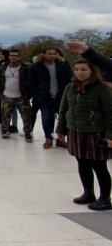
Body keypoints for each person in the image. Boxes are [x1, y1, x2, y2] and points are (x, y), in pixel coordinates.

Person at [55, 58, 112, 211]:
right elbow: (63, 109)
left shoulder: (102, 89)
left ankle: (105, 198)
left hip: (95, 133)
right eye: (77, 69)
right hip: (76, 131)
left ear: (92, 71)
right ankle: (88, 193)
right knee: (82, 163)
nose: (79, 72)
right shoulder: (69, 88)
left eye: (84, 69)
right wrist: (61, 129)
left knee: (99, 166)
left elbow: (109, 114)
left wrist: (109, 136)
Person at [30, 47, 73, 149]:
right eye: (49, 54)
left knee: (63, 118)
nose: (52, 56)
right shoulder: (36, 67)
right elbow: (31, 82)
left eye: (54, 54)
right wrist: (37, 95)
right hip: (44, 96)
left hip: (60, 96)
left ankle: (61, 139)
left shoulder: (63, 64)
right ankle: (48, 138)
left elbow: (69, 79)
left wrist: (68, 93)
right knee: (46, 117)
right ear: (44, 54)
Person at [0, 48, 33, 141]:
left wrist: (28, 95)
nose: (14, 57)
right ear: (9, 56)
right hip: (7, 95)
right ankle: (5, 130)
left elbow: (30, 81)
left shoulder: (25, 68)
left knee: (26, 115)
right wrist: (1, 94)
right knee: (5, 114)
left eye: (16, 56)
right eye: (12, 55)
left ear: (19, 56)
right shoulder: (3, 67)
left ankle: (28, 132)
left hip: (21, 96)